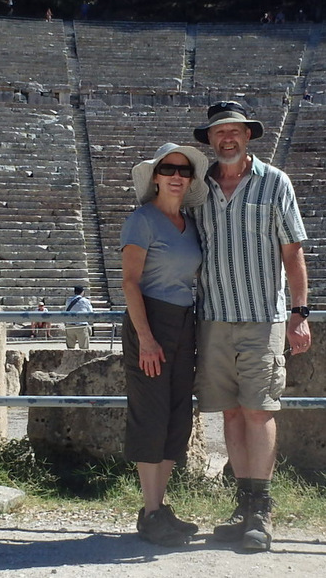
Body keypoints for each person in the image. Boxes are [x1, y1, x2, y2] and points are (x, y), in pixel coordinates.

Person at [191, 100, 311, 552]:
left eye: (235, 131)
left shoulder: (275, 182)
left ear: (248, 136)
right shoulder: (199, 188)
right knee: (232, 412)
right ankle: (242, 506)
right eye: (219, 132)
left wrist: (300, 314)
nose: (227, 139)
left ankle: (260, 509)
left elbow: (293, 251)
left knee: (259, 410)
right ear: (210, 139)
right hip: (215, 317)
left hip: (263, 317)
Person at [120, 141, 209, 547]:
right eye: (169, 168)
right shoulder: (142, 220)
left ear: (190, 180)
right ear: (155, 176)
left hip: (183, 321)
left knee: (177, 416)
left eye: (184, 170)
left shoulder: (190, 223)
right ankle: (150, 511)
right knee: (151, 414)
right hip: (151, 322)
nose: (177, 175)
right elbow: (129, 283)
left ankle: (160, 508)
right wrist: (146, 339)